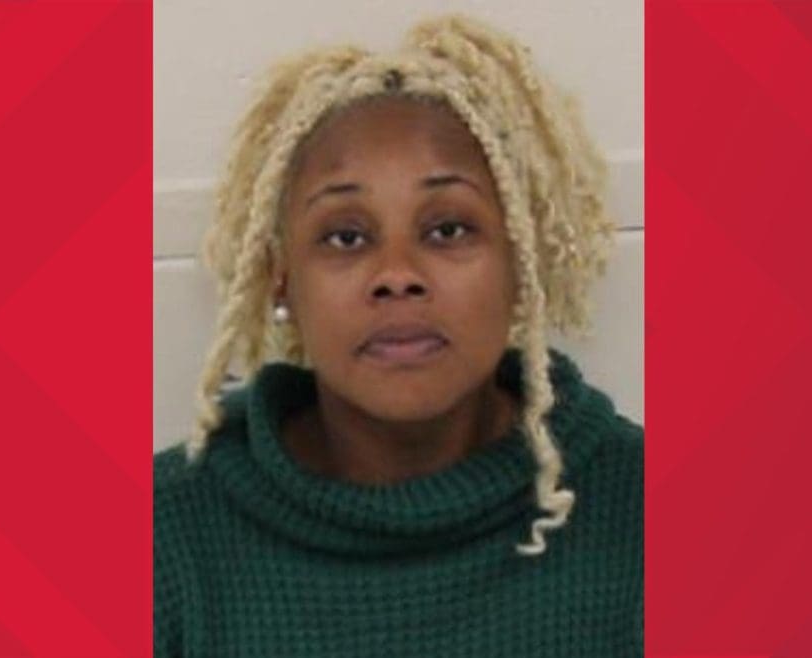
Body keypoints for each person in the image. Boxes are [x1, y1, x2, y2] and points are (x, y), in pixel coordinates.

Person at [155, 14, 643, 657]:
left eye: (448, 230)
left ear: (521, 266)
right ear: (280, 280)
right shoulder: (163, 540)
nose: (397, 274)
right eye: (345, 237)